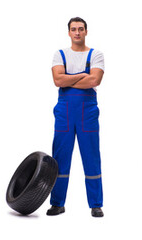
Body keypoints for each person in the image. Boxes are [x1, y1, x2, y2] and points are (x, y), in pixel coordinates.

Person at [48, 17, 106, 218]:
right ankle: (57, 203)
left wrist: (68, 79)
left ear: (86, 31)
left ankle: (96, 204)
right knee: (60, 157)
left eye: (81, 29)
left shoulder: (96, 54)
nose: (77, 33)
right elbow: (57, 80)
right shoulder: (60, 54)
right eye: (73, 29)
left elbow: (95, 80)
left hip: (87, 112)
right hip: (64, 112)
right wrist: (83, 75)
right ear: (69, 32)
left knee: (91, 156)